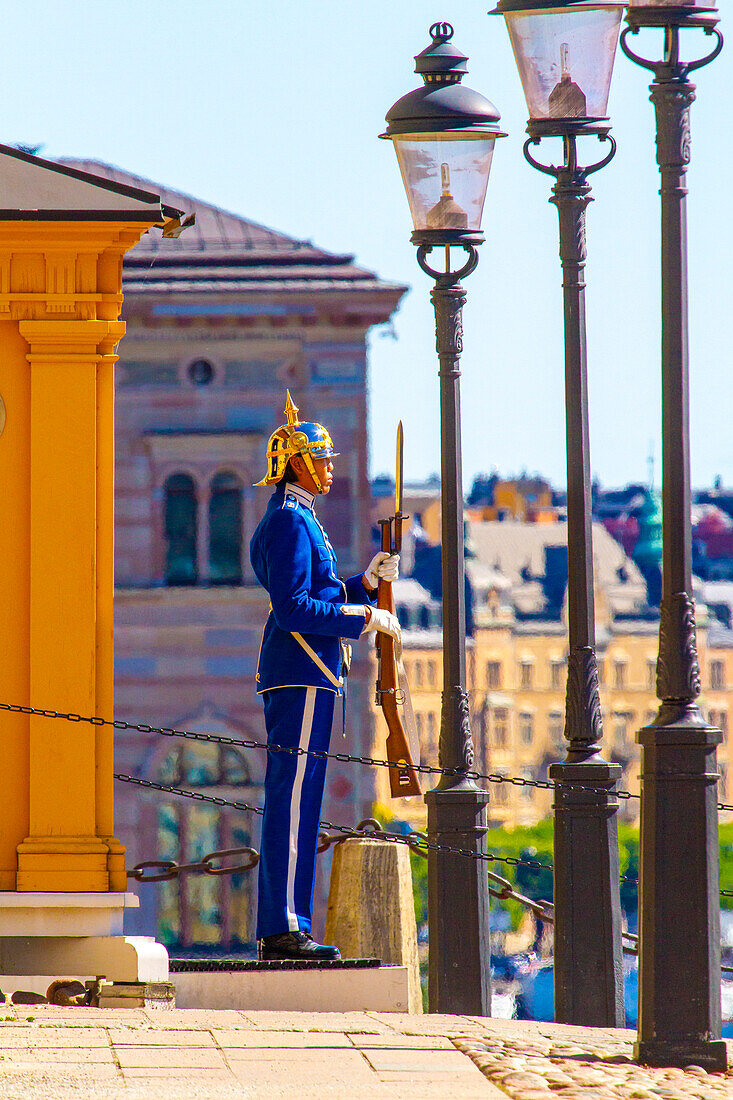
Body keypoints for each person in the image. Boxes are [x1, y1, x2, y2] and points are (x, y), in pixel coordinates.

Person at [250, 392, 402, 961]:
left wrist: (363, 583)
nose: (332, 467)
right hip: (300, 671)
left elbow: (317, 595)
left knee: (301, 799)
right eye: (324, 458)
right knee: (292, 801)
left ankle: (288, 925)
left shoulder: (299, 517)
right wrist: (362, 616)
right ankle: (285, 929)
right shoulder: (290, 520)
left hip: (307, 672)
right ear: (298, 463)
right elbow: (293, 608)